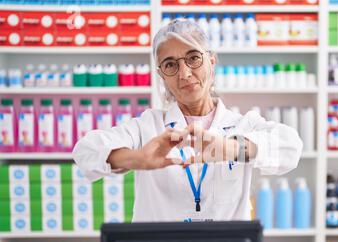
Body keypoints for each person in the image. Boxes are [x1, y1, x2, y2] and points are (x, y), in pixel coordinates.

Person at [72, 19, 302, 224]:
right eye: (170, 64)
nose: (184, 73)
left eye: (193, 58)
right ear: (161, 75)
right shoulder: (148, 127)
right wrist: (137, 159)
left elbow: (291, 148)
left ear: (211, 61)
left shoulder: (241, 125)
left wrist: (230, 149)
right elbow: (85, 151)